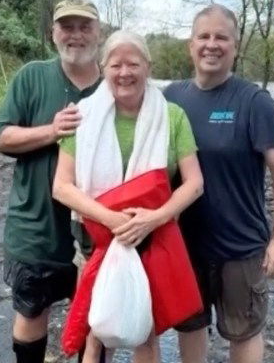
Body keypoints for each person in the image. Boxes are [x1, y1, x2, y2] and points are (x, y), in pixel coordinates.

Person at [53, 30, 204, 363]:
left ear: (148, 66)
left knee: (143, 331)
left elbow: (194, 183)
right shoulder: (83, 115)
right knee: (95, 332)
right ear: (103, 67)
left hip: (149, 239)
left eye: (133, 63)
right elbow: (61, 186)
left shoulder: (171, 116)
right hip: (97, 239)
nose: (125, 73)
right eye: (115, 64)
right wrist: (111, 219)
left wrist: (153, 218)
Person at [165, 4, 274, 363]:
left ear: (235, 46)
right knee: (190, 325)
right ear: (190, 46)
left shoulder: (254, 102)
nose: (212, 44)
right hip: (185, 245)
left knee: (244, 331)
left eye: (221, 37)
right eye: (204, 37)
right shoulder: (170, 98)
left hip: (240, 248)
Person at [0, 0, 102, 363]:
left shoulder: (114, 85)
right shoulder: (31, 76)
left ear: (98, 33)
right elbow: (1, 137)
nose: (76, 35)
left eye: (85, 27)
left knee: (97, 322)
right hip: (35, 228)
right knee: (32, 313)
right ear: (52, 33)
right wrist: (51, 131)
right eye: (67, 27)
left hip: (98, 232)